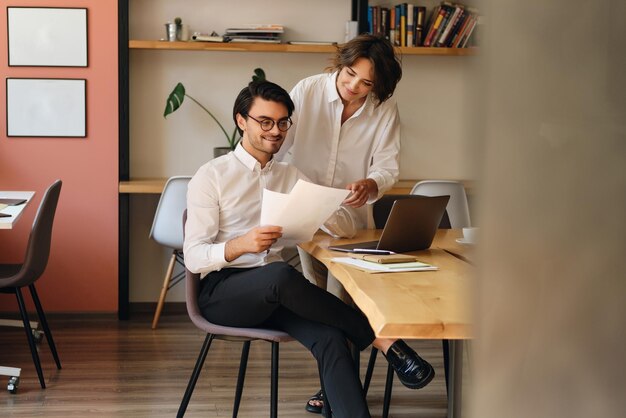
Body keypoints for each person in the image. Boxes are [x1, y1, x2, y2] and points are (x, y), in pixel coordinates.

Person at [184, 80, 435, 418]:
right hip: (222, 294)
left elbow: (344, 226)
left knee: (331, 337)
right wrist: (239, 245)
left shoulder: (289, 175)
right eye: (266, 122)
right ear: (241, 120)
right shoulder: (211, 176)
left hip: (275, 295)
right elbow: (194, 258)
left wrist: (325, 211)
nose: (276, 131)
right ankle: (382, 339)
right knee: (280, 274)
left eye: (283, 122)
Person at [275, 35, 419, 413]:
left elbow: (387, 166)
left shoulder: (384, 110)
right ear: (341, 64)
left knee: (342, 300)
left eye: (366, 82)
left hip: (351, 223)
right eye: (350, 73)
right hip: (307, 217)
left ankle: (336, 391)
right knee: (319, 305)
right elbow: (279, 143)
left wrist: (372, 184)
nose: (353, 85)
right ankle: (342, 385)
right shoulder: (307, 91)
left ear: (379, 86)